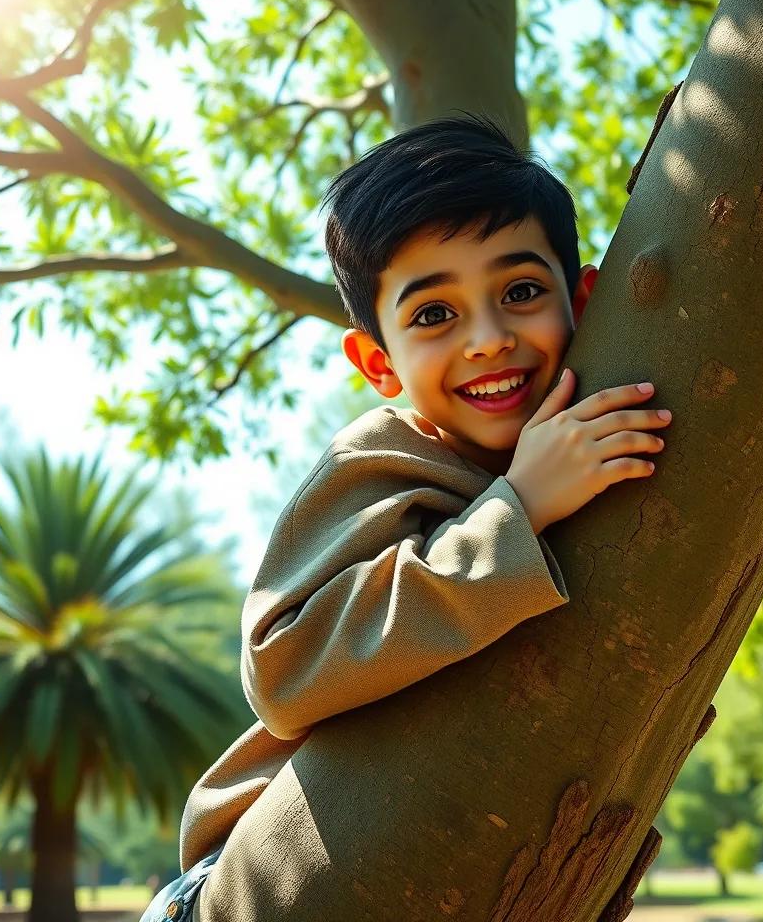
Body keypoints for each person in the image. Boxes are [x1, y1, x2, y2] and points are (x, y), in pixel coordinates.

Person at [138, 112, 673, 922]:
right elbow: (281, 673)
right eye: (433, 315)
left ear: (584, 299)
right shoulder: (381, 457)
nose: (488, 339)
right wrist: (519, 509)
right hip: (239, 896)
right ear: (377, 362)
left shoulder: (579, 442)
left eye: (521, 292)